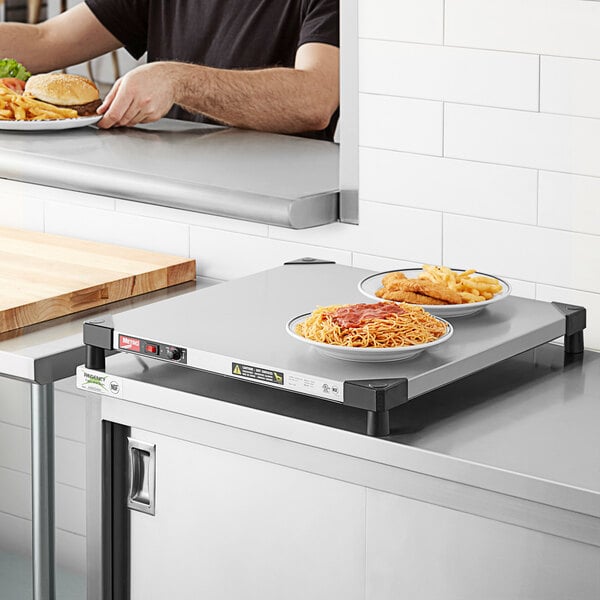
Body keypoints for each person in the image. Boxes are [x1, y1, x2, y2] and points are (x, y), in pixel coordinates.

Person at [1, 0, 339, 139]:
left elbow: (315, 99)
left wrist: (178, 81)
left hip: (279, 199)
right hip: (170, 180)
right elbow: (48, 39)